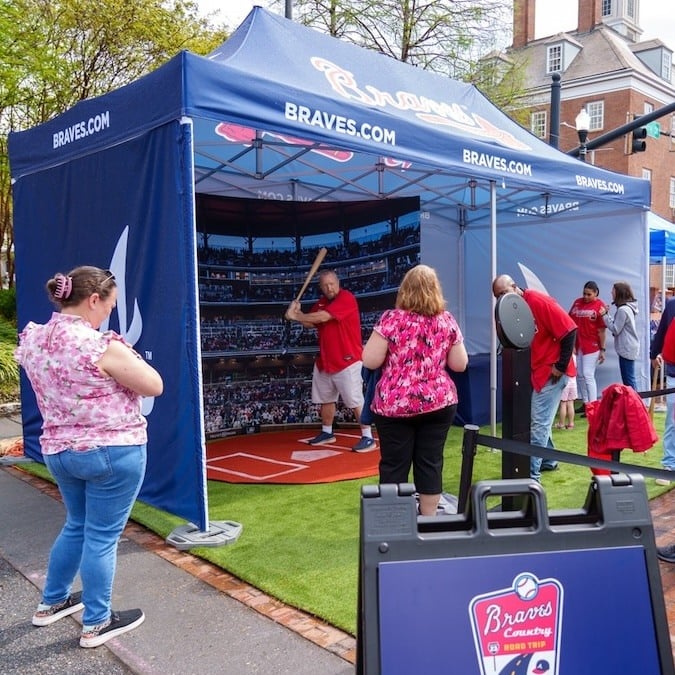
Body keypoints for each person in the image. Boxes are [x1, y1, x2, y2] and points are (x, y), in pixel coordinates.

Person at [14, 266, 164, 648]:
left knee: (77, 525)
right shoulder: (99, 345)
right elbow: (154, 385)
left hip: (59, 451)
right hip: (111, 451)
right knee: (101, 536)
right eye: (109, 305)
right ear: (93, 300)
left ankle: (52, 602)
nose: (108, 314)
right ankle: (97, 622)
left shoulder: (34, 339)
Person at [361, 265, 468, 515]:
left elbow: (370, 360)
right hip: (438, 402)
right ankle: (428, 520)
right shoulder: (446, 319)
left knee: (394, 464)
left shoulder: (391, 319)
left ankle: (395, 523)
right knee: (430, 462)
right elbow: (459, 365)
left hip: (394, 405)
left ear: (404, 290)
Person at [492, 275, 577, 481]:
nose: (501, 299)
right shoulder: (508, 310)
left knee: (539, 422)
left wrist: (560, 365)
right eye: (497, 296)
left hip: (552, 372)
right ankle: (549, 460)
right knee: (540, 419)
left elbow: (570, 329)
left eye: (504, 293)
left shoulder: (538, 301)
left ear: (515, 287)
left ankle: (531, 476)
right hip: (536, 371)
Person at [285, 269, 375, 452]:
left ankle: (368, 437)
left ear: (338, 283)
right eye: (325, 285)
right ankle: (327, 432)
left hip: (347, 359)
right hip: (326, 361)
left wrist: (296, 316)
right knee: (326, 399)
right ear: (321, 288)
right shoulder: (321, 303)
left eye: (332, 283)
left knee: (355, 400)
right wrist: (298, 312)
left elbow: (324, 317)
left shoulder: (346, 298)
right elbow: (310, 322)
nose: (329, 288)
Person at [568, 281, 607, 408]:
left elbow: (602, 330)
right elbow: (570, 322)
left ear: (596, 293)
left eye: (589, 294)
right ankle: (586, 403)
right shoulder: (577, 303)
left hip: (592, 346)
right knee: (579, 375)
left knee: (587, 374)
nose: (585, 296)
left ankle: (594, 404)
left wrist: (603, 349)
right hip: (578, 345)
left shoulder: (600, 306)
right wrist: (572, 344)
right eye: (584, 293)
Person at [650, 295, 675, 489]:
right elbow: (662, 332)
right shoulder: (673, 305)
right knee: (673, 420)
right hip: (674, 371)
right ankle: (669, 464)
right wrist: (654, 353)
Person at [599, 281, 639, 390]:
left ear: (619, 293)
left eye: (613, 291)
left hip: (627, 348)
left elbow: (615, 329)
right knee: (629, 379)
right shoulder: (626, 308)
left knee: (628, 380)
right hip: (629, 347)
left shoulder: (623, 310)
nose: (611, 293)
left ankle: (634, 404)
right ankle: (634, 403)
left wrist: (604, 316)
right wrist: (607, 315)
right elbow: (617, 325)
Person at [555, 354, 577, 429]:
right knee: (571, 403)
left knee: (563, 404)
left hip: (565, 379)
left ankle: (561, 424)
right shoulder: (573, 356)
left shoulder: (562, 356)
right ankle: (571, 424)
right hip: (573, 380)